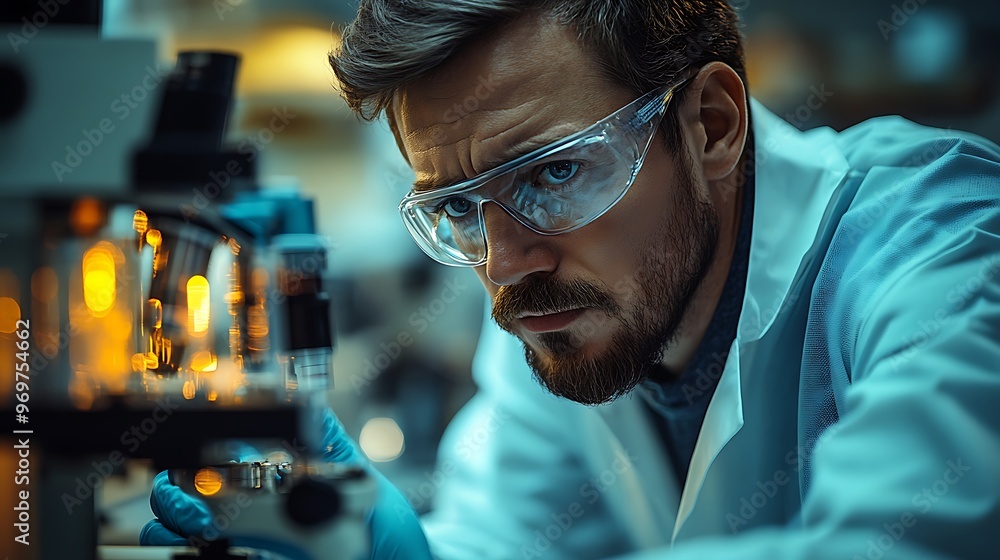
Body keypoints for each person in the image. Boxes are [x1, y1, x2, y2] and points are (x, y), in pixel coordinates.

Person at [144, 1, 1000, 558]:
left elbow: (910, 543)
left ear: (711, 125)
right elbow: (506, 534)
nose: (504, 264)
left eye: (552, 174)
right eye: (458, 209)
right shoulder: (556, 304)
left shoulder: (941, 240)